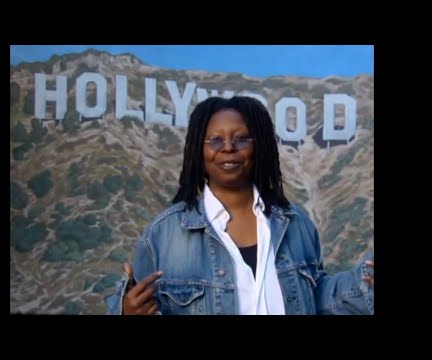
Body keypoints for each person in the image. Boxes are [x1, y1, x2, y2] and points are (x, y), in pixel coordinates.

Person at [105, 96, 374, 315]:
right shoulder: (163, 234)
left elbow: (316, 298)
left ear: (260, 148)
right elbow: (137, 304)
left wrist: (365, 284)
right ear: (198, 150)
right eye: (215, 140)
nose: (229, 148)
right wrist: (125, 311)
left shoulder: (296, 223)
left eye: (242, 138)